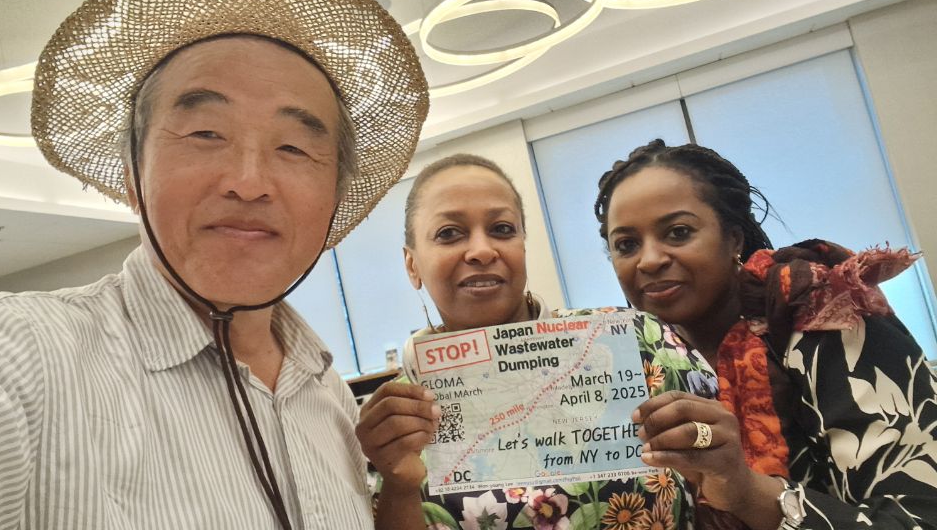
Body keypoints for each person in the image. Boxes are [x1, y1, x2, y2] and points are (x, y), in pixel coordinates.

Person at [0, 0, 429, 528]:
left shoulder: (325, 392)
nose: (249, 182)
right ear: (133, 177)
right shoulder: (14, 357)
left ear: (334, 197)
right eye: (205, 133)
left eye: (293, 148)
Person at [357, 153, 721, 530]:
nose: (482, 250)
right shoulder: (399, 415)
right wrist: (399, 485)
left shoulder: (634, 339)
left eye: (502, 229)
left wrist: (714, 460)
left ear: (523, 246)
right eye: (449, 233)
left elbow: (728, 482)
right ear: (412, 264)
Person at [594, 139, 937, 530]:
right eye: (626, 245)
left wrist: (748, 493)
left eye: (678, 232)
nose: (650, 260)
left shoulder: (827, 314)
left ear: (734, 239)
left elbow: (921, 517)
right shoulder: (632, 367)